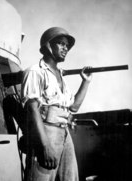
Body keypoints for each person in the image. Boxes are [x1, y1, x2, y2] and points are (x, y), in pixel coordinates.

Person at [21, 27, 92, 181]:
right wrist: (44, 146)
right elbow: (32, 109)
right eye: (60, 43)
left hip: (64, 133)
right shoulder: (35, 71)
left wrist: (85, 82)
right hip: (46, 132)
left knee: (70, 178)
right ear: (48, 46)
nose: (65, 48)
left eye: (67, 45)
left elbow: (73, 107)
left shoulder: (61, 76)